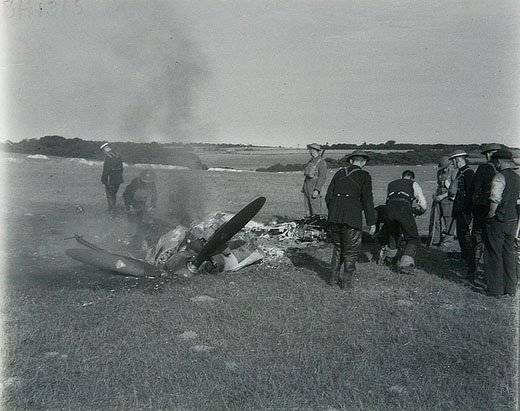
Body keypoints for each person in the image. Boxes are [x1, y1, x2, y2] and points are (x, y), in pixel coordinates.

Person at [325, 150, 377, 289]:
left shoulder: (339, 173)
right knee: (351, 250)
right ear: (364, 162)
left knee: (337, 248)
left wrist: (334, 211)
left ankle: (332, 279)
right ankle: (346, 283)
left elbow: (328, 197)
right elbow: (367, 200)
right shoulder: (364, 175)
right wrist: (371, 222)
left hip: (334, 217)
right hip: (351, 217)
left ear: (350, 160)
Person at [484, 148, 519, 297]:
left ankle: (495, 289)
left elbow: (495, 199)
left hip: (498, 220)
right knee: (508, 253)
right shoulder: (517, 177)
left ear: (499, 161)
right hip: (512, 220)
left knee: (494, 253)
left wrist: (490, 215)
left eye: (495, 162)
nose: (495, 166)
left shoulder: (499, 177)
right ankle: (511, 288)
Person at [378, 170, 427, 273]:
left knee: (393, 234)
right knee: (413, 237)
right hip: (403, 208)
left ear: (401, 176)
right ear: (413, 179)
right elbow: (423, 204)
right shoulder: (413, 183)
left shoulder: (391, 183)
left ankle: (389, 258)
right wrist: (418, 211)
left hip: (389, 208)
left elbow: (389, 199)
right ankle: (405, 263)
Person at [466, 143, 501, 282]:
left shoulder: (483, 168)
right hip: (499, 209)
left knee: (478, 240)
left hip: (482, 207)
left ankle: (472, 272)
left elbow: (475, 190)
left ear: (488, 154)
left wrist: (472, 207)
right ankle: (491, 275)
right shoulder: (505, 171)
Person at [448, 149, 475, 266]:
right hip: (459, 207)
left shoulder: (468, 173)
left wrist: (467, 210)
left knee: (464, 233)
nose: (452, 164)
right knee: (460, 232)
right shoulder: (460, 172)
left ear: (458, 160)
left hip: (465, 208)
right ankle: (465, 256)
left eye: (453, 161)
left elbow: (470, 193)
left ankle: (469, 258)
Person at [428, 156, 455, 245]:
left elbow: (454, 190)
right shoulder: (439, 173)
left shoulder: (454, 173)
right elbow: (439, 185)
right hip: (438, 198)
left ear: (450, 164)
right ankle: (435, 240)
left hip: (449, 199)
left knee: (448, 220)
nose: (444, 170)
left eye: (446, 167)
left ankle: (448, 241)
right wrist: (435, 195)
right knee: (435, 220)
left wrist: (443, 196)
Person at [302, 143, 327, 217]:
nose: (309, 151)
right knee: (307, 208)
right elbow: (307, 175)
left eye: (310, 150)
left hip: (314, 186)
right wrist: (304, 187)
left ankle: (316, 225)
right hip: (307, 185)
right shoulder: (311, 161)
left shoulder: (321, 162)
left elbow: (322, 177)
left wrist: (317, 189)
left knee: (315, 208)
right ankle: (308, 224)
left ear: (314, 150)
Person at [100, 142, 124, 215]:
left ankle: (112, 212)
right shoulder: (118, 155)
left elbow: (106, 170)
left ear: (106, 148)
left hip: (110, 180)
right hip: (118, 179)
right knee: (113, 194)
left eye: (104, 149)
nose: (104, 151)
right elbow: (122, 168)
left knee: (110, 195)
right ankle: (112, 210)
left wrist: (103, 180)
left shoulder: (108, 157)